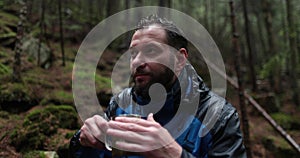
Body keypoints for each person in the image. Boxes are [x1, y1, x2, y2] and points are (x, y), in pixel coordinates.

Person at [69, 14, 246, 158]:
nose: (137, 62)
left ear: (179, 59)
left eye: (151, 51)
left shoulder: (218, 115)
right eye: (133, 53)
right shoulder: (121, 103)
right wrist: (82, 142)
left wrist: (174, 154)